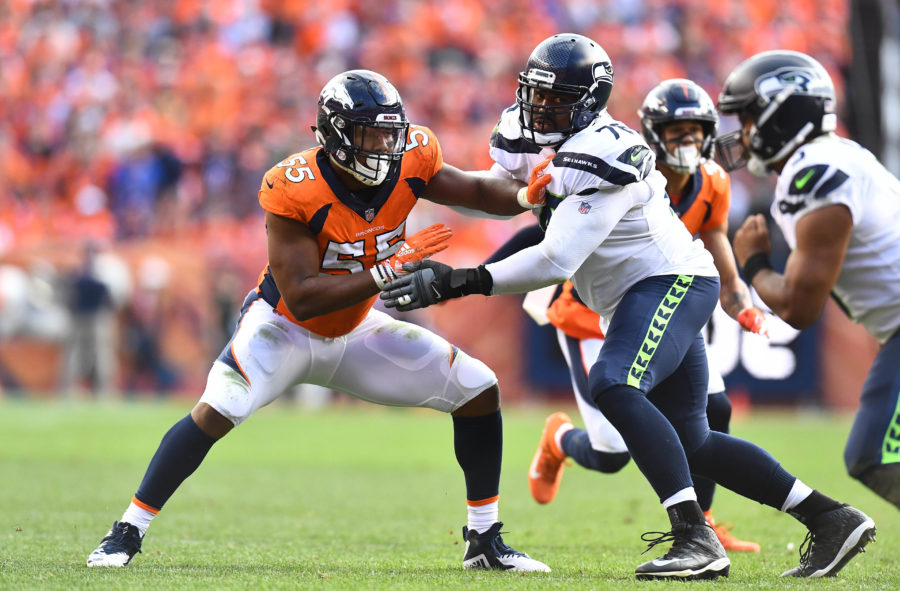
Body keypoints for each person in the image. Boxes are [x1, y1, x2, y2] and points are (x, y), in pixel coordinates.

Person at [380, 34, 876, 580]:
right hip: (633, 294)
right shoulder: (525, 131)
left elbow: (555, 259)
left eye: (557, 98)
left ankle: (694, 537)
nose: (540, 108)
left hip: (670, 281)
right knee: (697, 441)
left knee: (613, 383)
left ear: (590, 101)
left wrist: (459, 281)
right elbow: (501, 189)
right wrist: (424, 183)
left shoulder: (608, 151)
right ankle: (829, 518)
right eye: (536, 94)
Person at [86, 69, 549, 572]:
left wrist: (523, 197)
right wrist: (386, 270)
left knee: (478, 388)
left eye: (389, 132)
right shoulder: (293, 186)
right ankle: (127, 530)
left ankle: (483, 542)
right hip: (282, 327)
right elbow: (302, 297)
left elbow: (476, 191)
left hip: (354, 329)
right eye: (369, 133)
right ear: (335, 135)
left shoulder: (411, 156)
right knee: (218, 408)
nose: (384, 145)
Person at [485, 78, 766, 552]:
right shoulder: (610, 169)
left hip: (658, 298)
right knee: (612, 451)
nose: (690, 143)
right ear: (653, 135)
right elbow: (546, 239)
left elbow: (717, 248)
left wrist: (741, 302)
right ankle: (560, 440)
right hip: (588, 309)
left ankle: (704, 520)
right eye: (677, 132)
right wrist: (481, 275)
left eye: (697, 132)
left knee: (713, 408)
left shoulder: (713, 181)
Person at [717, 49, 900, 511]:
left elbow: (799, 307)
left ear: (783, 114)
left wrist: (754, 263)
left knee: (873, 454)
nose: (743, 134)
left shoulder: (816, 173)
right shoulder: (831, 158)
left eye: (750, 118)